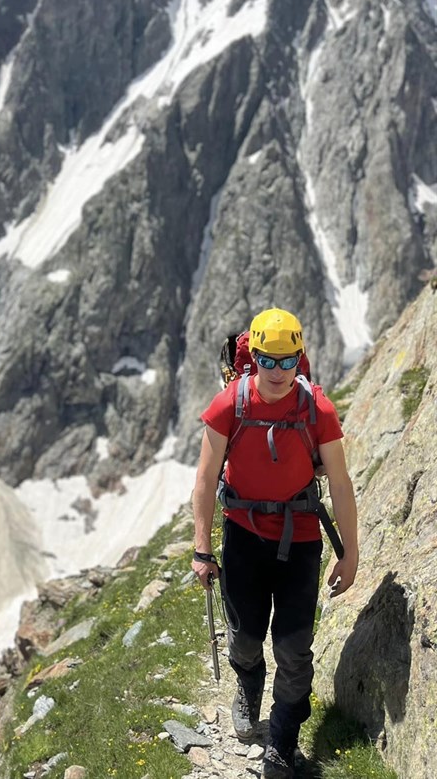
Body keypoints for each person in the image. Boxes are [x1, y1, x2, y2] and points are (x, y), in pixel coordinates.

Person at [191, 308, 359, 779]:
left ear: (299, 358)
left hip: (299, 538)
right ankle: (249, 683)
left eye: (288, 362)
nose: (278, 372)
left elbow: (340, 484)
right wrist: (202, 549)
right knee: (245, 637)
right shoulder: (229, 404)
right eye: (268, 361)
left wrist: (350, 552)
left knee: (293, 646)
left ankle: (282, 741)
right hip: (243, 536)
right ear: (255, 358)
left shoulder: (318, 410)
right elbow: (205, 478)